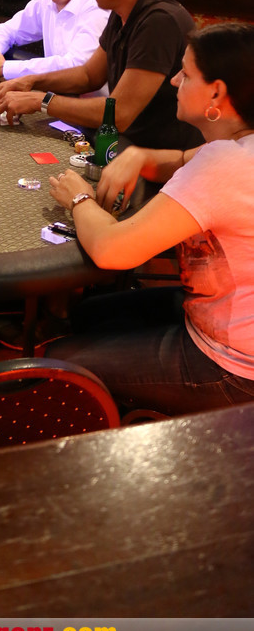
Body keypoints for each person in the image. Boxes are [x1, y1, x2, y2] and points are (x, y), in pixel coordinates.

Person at [46, 22, 254, 415]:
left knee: (61, 363)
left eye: (185, 74)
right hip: (219, 325)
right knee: (90, 312)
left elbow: (112, 250)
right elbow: (180, 160)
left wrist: (78, 198)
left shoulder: (227, 163)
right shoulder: (238, 146)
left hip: (235, 370)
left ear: (216, 92)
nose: (174, 81)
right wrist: (138, 156)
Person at [0, 0, 202, 151]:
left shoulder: (159, 22)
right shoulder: (122, 12)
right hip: (128, 142)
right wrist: (31, 81)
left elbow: (119, 114)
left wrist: (40, 101)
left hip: (162, 156)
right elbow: (88, 75)